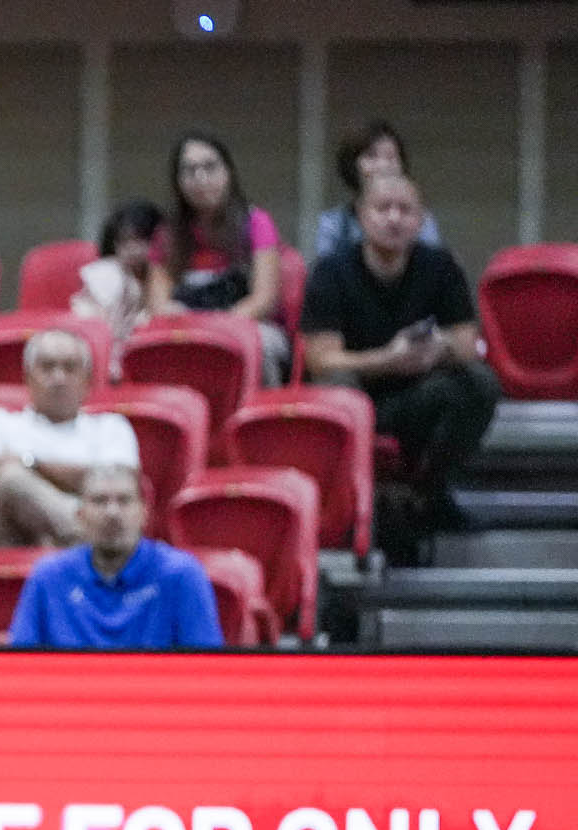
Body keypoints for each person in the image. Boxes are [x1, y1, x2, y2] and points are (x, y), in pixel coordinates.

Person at [300, 172, 499, 561]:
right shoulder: (331, 271)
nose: (394, 218)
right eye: (383, 208)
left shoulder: (440, 266)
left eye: (405, 210)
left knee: (479, 383)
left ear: (421, 219)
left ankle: (424, 494)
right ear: (361, 216)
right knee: (336, 385)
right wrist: (388, 358)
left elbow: (467, 344)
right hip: (358, 399)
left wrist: (437, 349)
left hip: (418, 398)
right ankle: (359, 507)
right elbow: (321, 359)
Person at [8, 463, 222, 649]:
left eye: (124, 500)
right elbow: (18, 669)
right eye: (100, 501)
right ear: (80, 516)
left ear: (144, 513)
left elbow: (206, 670)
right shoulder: (48, 578)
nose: (112, 513)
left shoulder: (181, 575)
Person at [0, 330, 139, 547]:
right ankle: (93, 540)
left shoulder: (111, 427)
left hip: (85, 533)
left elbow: (119, 483)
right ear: (28, 377)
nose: (59, 378)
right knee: (9, 479)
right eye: (47, 367)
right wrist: (77, 479)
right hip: (14, 544)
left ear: (87, 380)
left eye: (69, 368)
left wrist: (31, 463)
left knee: (111, 500)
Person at [148, 131, 291, 386]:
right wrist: (190, 325)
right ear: (178, 181)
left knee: (264, 344)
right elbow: (159, 303)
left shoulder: (256, 222)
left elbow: (264, 300)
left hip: (246, 324)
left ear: (228, 172)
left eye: (210, 167)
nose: (200, 179)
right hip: (187, 327)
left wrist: (218, 328)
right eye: (189, 171)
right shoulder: (168, 233)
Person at [314, 120, 443, 261]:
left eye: (391, 157)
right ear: (352, 164)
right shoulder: (333, 224)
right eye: (371, 156)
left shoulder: (423, 222)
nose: (383, 166)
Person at [72, 198, 164, 367]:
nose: (132, 250)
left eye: (139, 240)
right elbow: (104, 331)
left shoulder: (162, 276)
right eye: (124, 241)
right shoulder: (105, 274)